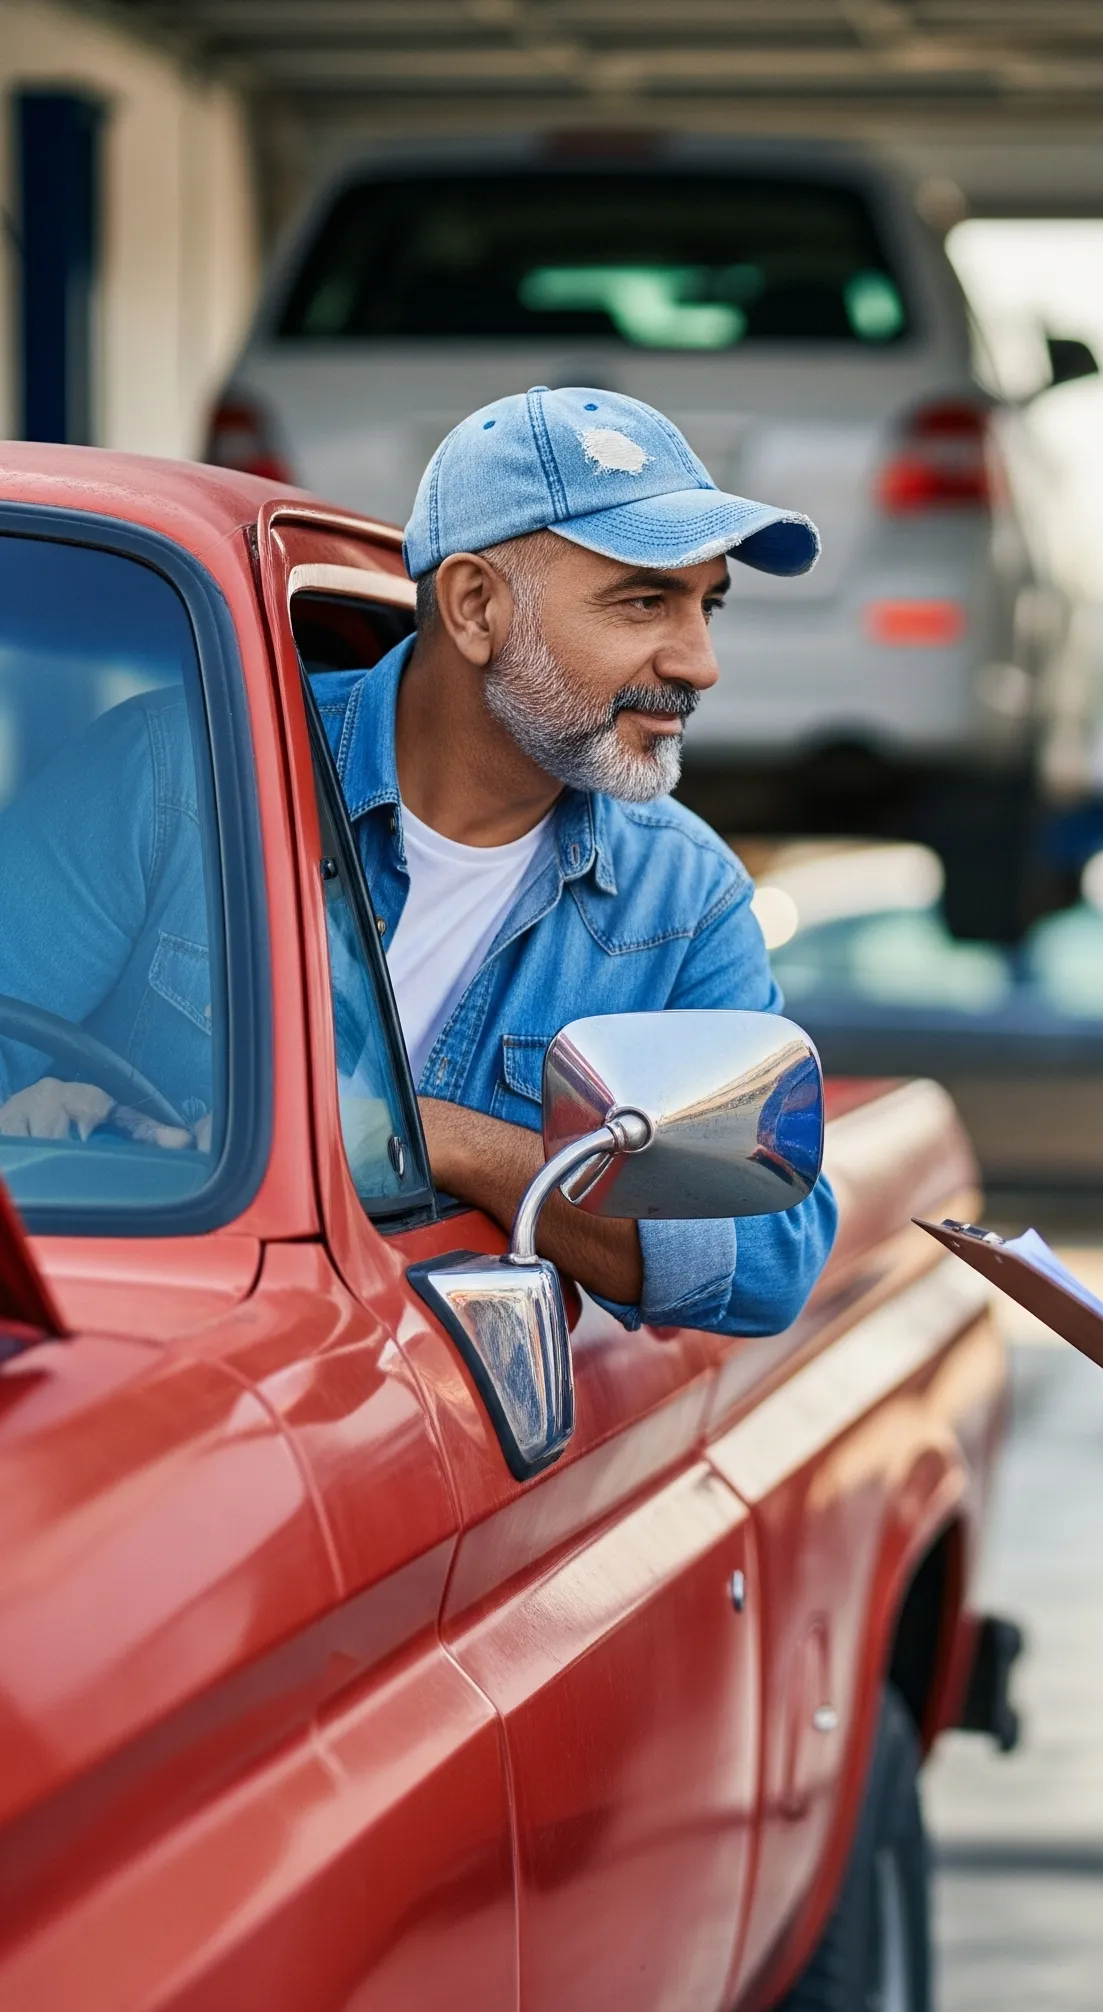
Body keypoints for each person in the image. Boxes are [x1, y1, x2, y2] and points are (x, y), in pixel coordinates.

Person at [2, 383, 836, 1336]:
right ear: (475, 607)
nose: (698, 662)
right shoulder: (170, 777)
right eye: (645, 601)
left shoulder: (685, 901)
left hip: (411, 1420)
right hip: (136, 1357)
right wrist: (49, 1135)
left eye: (707, 607)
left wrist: (440, 1142)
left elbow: (773, 1253)